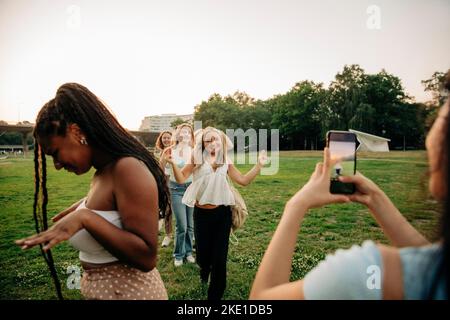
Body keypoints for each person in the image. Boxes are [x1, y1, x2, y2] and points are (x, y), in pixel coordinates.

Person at [250, 72, 450, 300]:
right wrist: (375, 198)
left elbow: (260, 301)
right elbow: (427, 258)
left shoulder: (364, 274)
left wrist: (297, 204)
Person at [15, 83, 169, 300]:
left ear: (77, 132)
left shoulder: (127, 168)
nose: (57, 165)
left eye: (56, 153)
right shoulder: (103, 173)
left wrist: (85, 217)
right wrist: (84, 206)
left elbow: (146, 257)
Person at [163, 126, 267, 300]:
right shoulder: (197, 159)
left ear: (221, 141)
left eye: (216, 139)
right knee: (204, 256)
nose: (212, 143)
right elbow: (181, 179)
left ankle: (215, 295)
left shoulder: (225, 161)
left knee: (220, 257)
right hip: (202, 215)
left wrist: (259, 165)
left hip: (222, 215)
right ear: (203, 144)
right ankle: (204, 270)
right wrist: (173, 163)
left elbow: (243, 181)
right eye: (208, 140)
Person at [160, 123, 196, 267]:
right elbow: (160, 169)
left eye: (188, 132)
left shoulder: (194, 151)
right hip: (175, 190)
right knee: (182, 225)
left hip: (191, 189)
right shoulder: (169, 151)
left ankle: (188, 252)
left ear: (191, 135)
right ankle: (178, 254)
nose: (185, 134)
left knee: (190, 226)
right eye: (183, 131)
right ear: (177, 134)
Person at [155, 130, 174, 247]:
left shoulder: (178, 151)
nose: (166, 140)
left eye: (168, 137)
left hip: (180, 185)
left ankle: (190, 235)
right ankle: (168, 235)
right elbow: (160, 171)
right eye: (164, 138)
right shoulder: (160, 153)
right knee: (167, 210)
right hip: (166, 185)